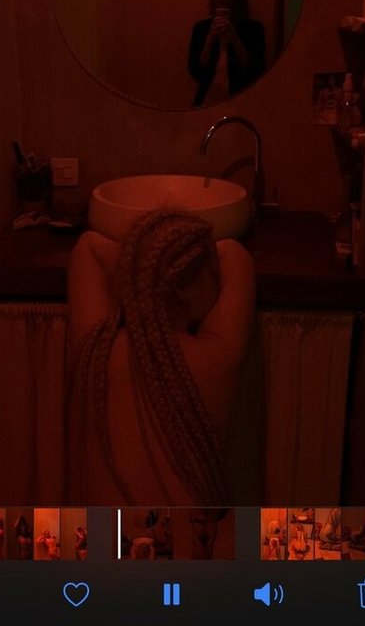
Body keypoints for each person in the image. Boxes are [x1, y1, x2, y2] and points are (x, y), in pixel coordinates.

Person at [66, 207, 255, 507]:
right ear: (186, 288)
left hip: (106, 532)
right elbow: (235, 254)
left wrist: (146, 263)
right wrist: (175, 258)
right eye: (213, 276)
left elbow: (88, 247)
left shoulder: (99, 350)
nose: (218, 282)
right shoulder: (218, 357)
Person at [188, 0, 266, 106]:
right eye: (220, 3)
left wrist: (235, 39)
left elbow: (255, 71)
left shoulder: (253, 29)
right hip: (207, 103)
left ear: (238, 4)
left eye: (230, 4)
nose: (224, 7)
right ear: (214, 1)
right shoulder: (201, 28)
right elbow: (195, 71)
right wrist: (210, 39)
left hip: (241, 102)